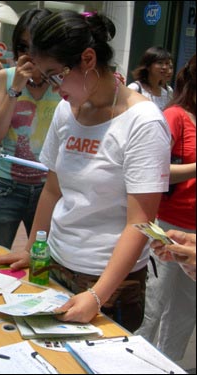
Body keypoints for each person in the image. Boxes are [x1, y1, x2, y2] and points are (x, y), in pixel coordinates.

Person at [0, 10, 171, 332]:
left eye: (56, 74)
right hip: (56, 266)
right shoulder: (65, 111)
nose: (54, 88)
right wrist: (32, 250)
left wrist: (97, 296)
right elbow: (53, 190)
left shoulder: (143, 122)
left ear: (87, 59)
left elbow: (140, 222)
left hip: (109, 284)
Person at [0, 9, 61, 250]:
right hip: (7, 185)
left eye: (36, 47)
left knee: (43, 261)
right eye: (23, 47)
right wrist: (15, 89)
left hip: (50, 187)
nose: (29, 55)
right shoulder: (6, 77)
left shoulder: (63, 83)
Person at [135, 54, 196, 361]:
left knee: (186, 310)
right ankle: (134, 364)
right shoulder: (176, 116)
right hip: (170, 227)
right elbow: (153, 168)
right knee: (153, 304)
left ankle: (167, 364)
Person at [127, 46, 172, 111]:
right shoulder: (135, 89)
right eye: (160, 63)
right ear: (148, 66)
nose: (164, 67)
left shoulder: (166, 94)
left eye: (167, 63)